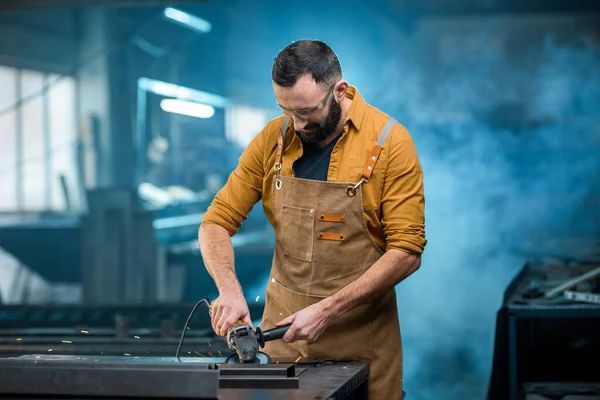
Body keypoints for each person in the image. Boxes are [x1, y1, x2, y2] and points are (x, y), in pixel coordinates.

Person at [199, 39, 426, 399]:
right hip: (281, 346)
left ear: (339, 90)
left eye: (307, 111)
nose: (297, 124)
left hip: (360, 345)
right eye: (286, 111)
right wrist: (228, 289)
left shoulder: (390, 142)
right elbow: (216, 221)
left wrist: (326, 310)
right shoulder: (273, 139)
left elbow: (407, 251)